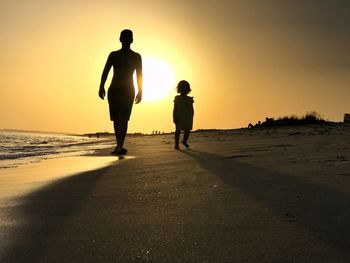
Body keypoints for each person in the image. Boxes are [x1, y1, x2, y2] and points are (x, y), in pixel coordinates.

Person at [98, 29, 142, 155]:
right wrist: (101, 86)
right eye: (125, 37)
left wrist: (141, 91)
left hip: (125, 90)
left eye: (128, 37)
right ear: (121, 39)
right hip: (116, 90)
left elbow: (140, 75)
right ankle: (119, 146)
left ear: (131, 40)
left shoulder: (136, 56)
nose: (127, 40)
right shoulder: (114, 55)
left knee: (122, 119)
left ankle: (119, 146)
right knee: (118, 120)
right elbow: (105, 71)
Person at [173, 80, 194, 149]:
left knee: (187, 130)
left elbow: (192, 108)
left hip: (188, 116)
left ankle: (184, 141)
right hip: (179, 116)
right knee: (178, 130)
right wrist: (174, 117)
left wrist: (192, 115)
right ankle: (176, 145)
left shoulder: (189, 99)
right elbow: (175, 108)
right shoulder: (177, 98)